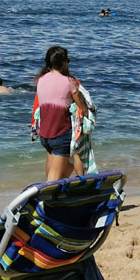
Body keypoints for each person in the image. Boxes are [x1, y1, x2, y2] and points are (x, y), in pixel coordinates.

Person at [35, 46, 88, 181]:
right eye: (67, 60)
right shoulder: (69, 82)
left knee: (54, 170)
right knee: (53, 179)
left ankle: (65, 177)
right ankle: (47, 199)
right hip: (60, 133)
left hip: (44, 135)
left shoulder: (40, 80)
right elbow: (82, 107)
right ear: (63, 62)